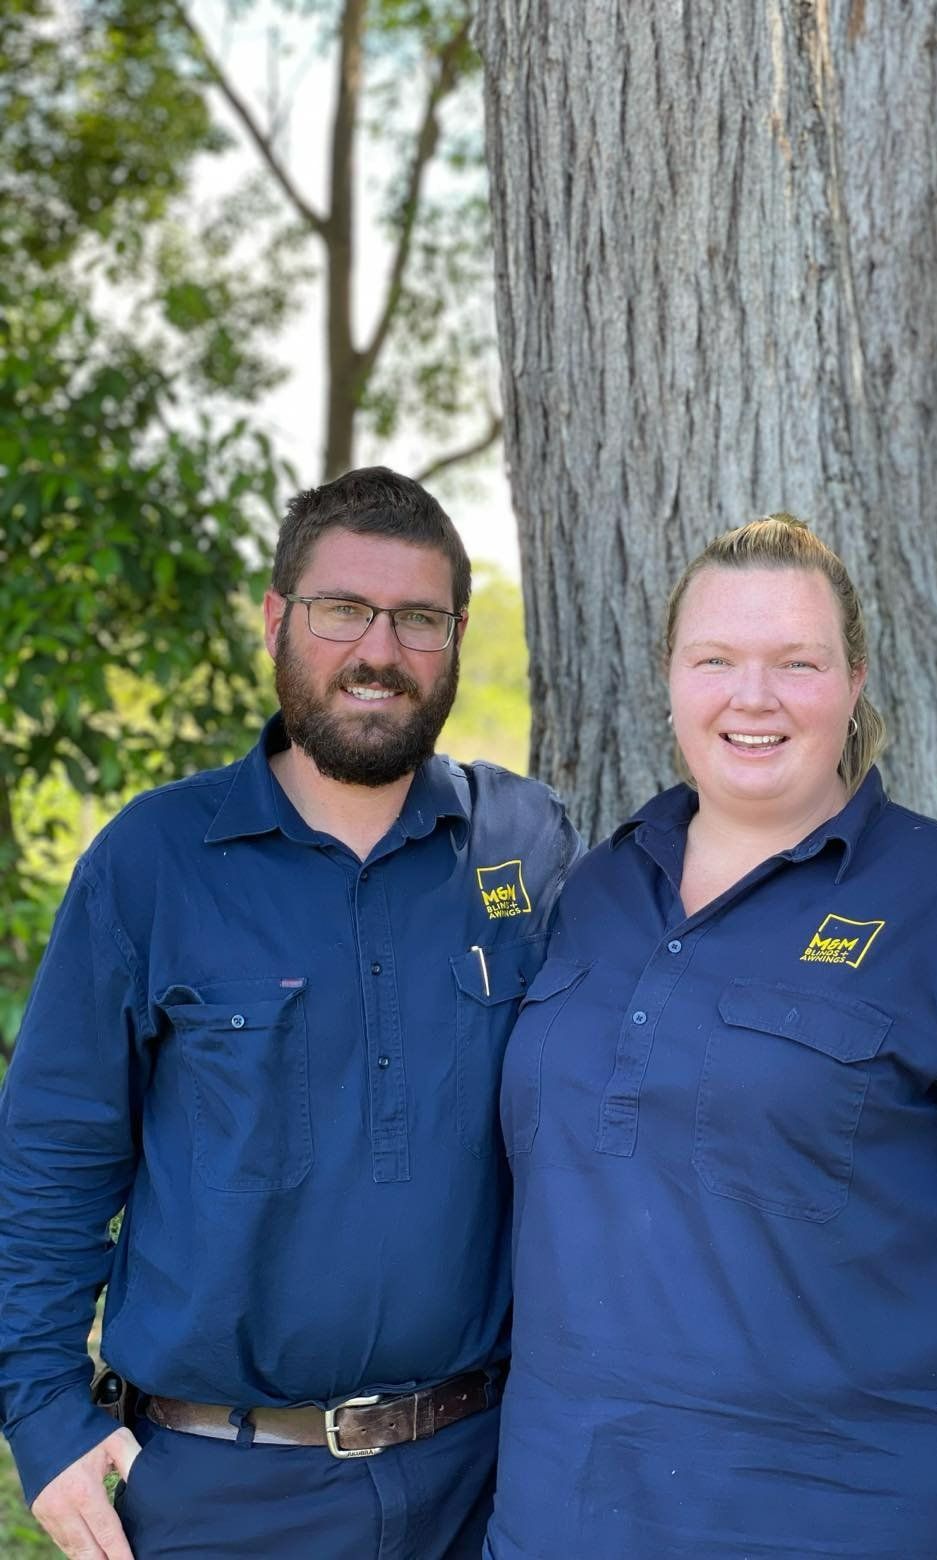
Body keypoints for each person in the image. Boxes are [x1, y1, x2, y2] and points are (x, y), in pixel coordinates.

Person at [484, 515, 937, 1560]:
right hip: (560, 1521)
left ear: (853, 682)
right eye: (717, 661)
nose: (755, 697)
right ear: (669, 678)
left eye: (798, 662)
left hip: (858, 1523)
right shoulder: (593, 892)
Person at [0, 467, 579, 1560]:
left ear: (455, 637)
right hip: (219, 1493)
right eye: (341, 610)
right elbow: (51, 1156)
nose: (379, 651)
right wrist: (41, 1414)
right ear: (277, 621)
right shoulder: (154, 860)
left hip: (486, 1479)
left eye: (417, 619)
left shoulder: (526, 843)